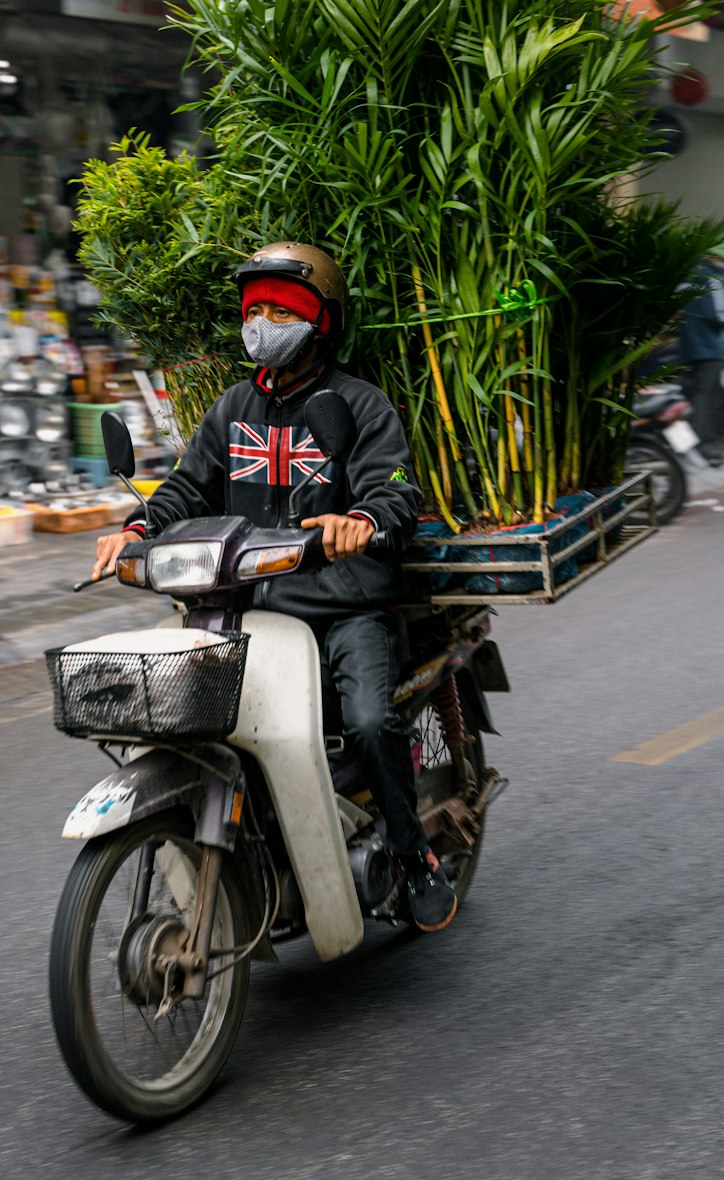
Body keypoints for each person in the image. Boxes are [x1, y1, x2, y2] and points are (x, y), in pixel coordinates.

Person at [93, 242, 457, 932]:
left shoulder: (360, 404)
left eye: (278, 308)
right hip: (247, 607)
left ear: (320, 320)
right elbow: (185, 487)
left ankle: (414, 859)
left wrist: (361, 519)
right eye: (252, 308)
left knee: (371, 722)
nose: (260, 321)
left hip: (342, 607)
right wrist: (135, 529)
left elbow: (395, 491)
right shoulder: (233, 409)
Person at [677, 240, 724, 467]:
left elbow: (678, 310)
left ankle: (688, 447)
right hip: (709, 350)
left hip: (689, 348)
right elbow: (718, 316)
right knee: (707, 401)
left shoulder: (688, 278)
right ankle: (703, 449)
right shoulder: (712, 279)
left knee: (694, 397)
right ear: (719, 258)